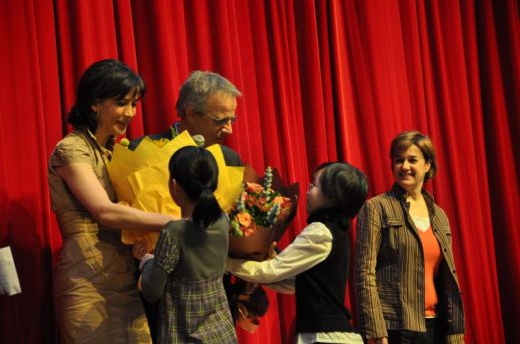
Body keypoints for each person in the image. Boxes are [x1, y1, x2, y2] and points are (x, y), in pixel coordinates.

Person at [48, 59, 173, 344]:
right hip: (87, 281)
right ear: (94, 103)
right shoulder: (70, 148)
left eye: (134, 104)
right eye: (121, 103)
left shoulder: (115, 151)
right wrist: (175, 222)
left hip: (125, 280)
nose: (130, 113)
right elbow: (104, 211)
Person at [227, 162, 369, 344]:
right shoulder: (337, 233)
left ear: (333, 197)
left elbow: (271, 271)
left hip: (324, 337)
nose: (308, 191)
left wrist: (227, 263)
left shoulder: (320, 232)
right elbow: (294, 283)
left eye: (314, 186)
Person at [355, 131, 465, 344]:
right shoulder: (376, 208)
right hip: (396, 327)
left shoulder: (439, 215)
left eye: (412, 160)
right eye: (398, 160)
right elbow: (364, 273)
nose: (404, 166)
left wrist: (454, 331)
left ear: (427, 165)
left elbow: (445, 277)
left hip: (436, 325)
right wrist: (376, 330)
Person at [137, 146, 237, 344]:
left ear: (173, 185)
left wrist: (146, 261)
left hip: (184, 336)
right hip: (223, 333)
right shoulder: (224, 220)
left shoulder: (173, 232)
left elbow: (151, 292)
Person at [129, 70, 242, 166]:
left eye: (231, 120)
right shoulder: (143, 152)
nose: (229, 130)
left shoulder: (230, 160)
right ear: (191, 113)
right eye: (220, 120)